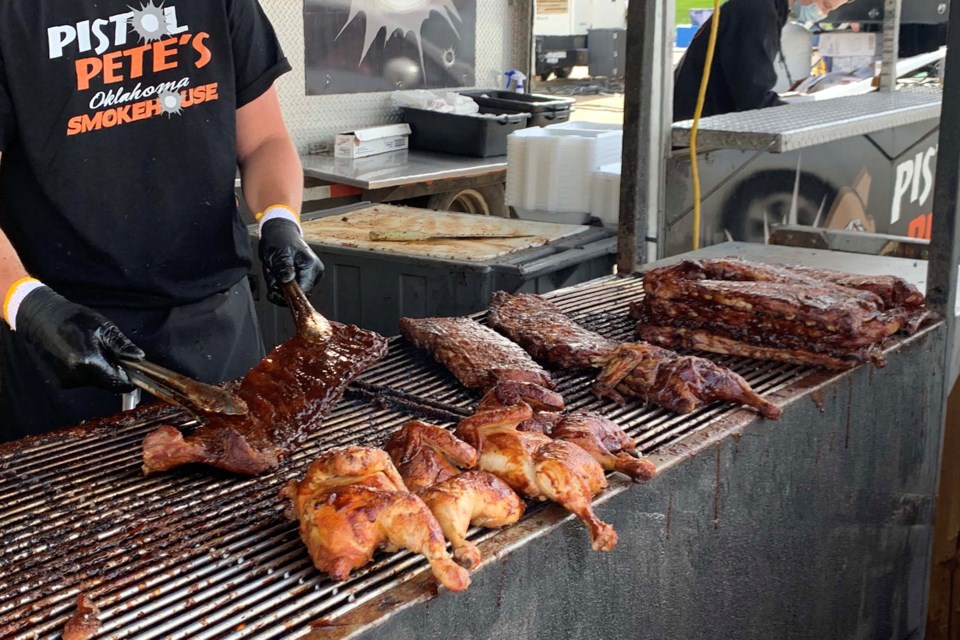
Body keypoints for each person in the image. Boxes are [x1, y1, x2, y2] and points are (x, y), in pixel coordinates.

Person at [0, 0, 323, 441]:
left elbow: (264, 139)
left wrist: (281, 219)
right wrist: (27, 304)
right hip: (62, 333)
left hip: (214, 322)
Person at [673, 0, 854, 121]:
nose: (822, 12)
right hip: (696, 131)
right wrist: (806, 118)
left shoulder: (762, 8)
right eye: (825, 5)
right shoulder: (756, 12)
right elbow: (754, 101)